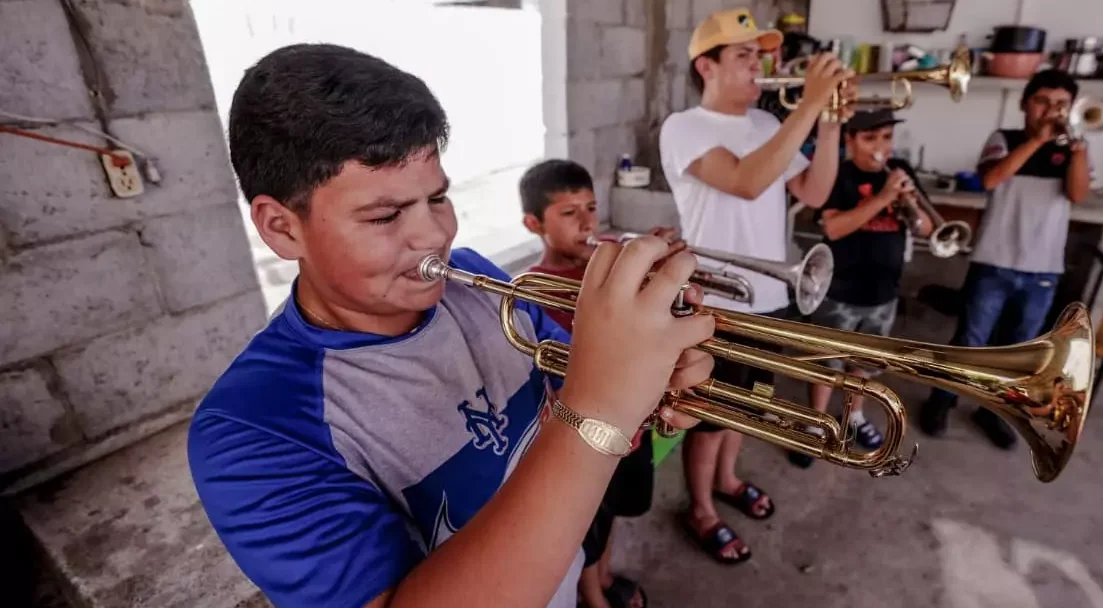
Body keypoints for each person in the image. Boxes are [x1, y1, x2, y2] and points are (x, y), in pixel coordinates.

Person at [186, 43, 715, 608]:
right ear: (281, 228)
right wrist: (603, 405)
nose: (434, 236)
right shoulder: (251, 431)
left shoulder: (470, 277)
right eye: (385, 215)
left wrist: (647, 387)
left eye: (438, 197)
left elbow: (569, 394)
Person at [657, 7, 852, 564]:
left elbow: (814, 193)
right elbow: (745, 182)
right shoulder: (683, 127)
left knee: (751, 404)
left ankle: (727, 479)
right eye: (744, 55)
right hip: (715, 302)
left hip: (773, 296)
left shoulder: (769, 126)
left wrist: (832, 122)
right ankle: (700, 507)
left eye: (761, 56)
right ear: (706, 66)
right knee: (710, 414)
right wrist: (811, 103)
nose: (760, 66)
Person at [518, 158, 676, 608]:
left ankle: (603, 577)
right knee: (584, 525)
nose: (588, 222)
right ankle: (593, 596)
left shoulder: (610, 260)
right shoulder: (531, 289)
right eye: (569, 213)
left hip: (634, 427)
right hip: (583, 436)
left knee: (615, 516)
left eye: (590, 207)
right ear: (534, 224)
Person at [918, 69, 1092, 448]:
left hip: (1042, 269)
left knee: (1020, 350)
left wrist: (1078, 150)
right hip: (994, 261)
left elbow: (1079, 194)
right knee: (971, 340)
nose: (1051, 111)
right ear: (1024, 105)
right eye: (1042, 102)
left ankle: (993, 410)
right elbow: (992, 179)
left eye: (1060, 104)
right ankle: (941, 402)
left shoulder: (1072, 147)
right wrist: (1039, 140)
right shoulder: (1004, 139)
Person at [786, 108, 932, 469]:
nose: (880, 147)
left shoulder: (901, 172)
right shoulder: (837, 175)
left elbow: (927, 229)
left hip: (883, 292)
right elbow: (834, 229)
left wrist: (910, 202)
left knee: (864, 367)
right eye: (869, 138)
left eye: (886, 137)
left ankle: (854, 417)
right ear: (849, 140)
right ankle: (815, 424)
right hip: (839, 290)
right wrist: (883, 198)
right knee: (827, 365)